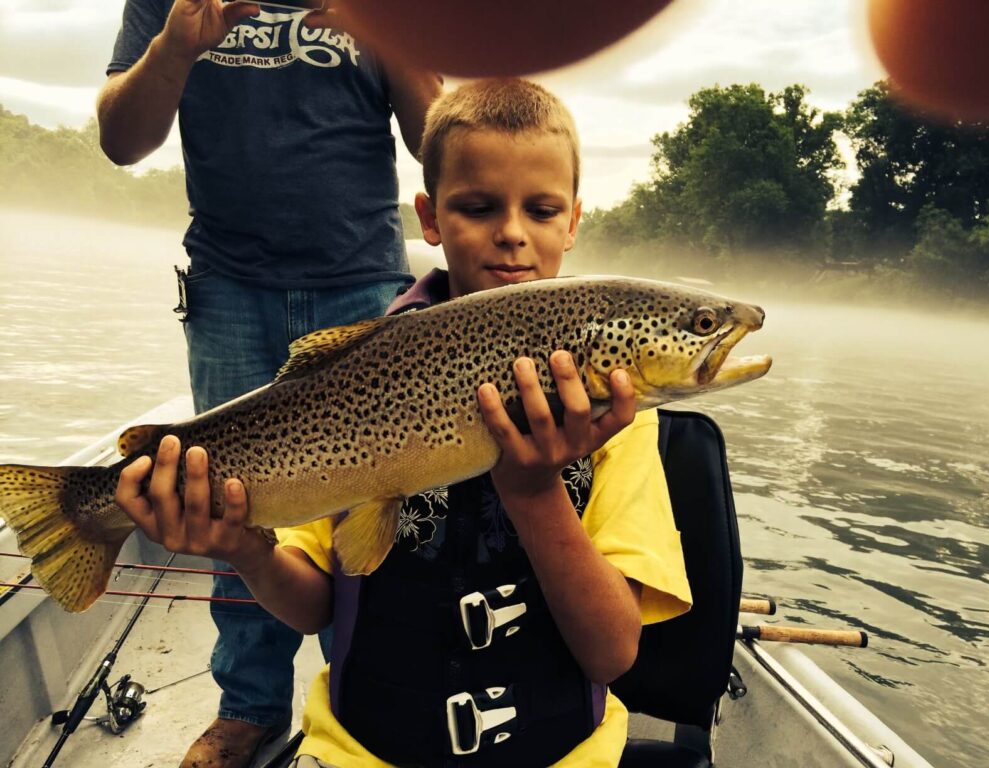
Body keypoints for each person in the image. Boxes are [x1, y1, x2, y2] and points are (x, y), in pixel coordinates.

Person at [115, 78, 692, 767]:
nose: (512, 234)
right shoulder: (364, 369)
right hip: (359, 750)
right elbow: (313, 609)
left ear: (572, 222)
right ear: (429, 216)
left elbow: (613, 652)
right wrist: (245, 548)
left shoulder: (617, 422)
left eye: (540, 211)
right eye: (477, 207)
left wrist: (536, 495)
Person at [96, 1, 441, 765]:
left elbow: (438, 141)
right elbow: (122, 141)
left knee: (382, 508)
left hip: (366, 289)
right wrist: (175, 45)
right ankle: (249, 706)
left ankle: (370, 694)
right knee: (233, 508)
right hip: (229, 287)